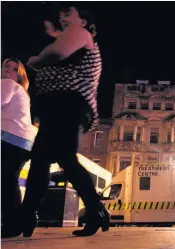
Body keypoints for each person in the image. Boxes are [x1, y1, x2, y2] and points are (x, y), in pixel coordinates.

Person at [19, 5, 108, 237]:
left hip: (68, 105)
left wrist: (36, 60)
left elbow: (57, 53)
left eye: (68, 13)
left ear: (84, 21)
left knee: (62, 159)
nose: (62, 17)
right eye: (61, 14)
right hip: (60, 106)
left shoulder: (81, 34)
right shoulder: (72, 36)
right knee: (41, 161)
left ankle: (95, 210)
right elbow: (58, 46)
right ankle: (27, 216)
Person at [1, 58, 37, 237]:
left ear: (19, 75)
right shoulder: (22, 92)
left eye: (14, 69)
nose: (9, 70)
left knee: (6, 180)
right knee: (8, 180)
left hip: (10, 139)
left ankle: (13, 224)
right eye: (6, 66)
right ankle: (24, 219)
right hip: (23, 142)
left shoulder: (7, 84)